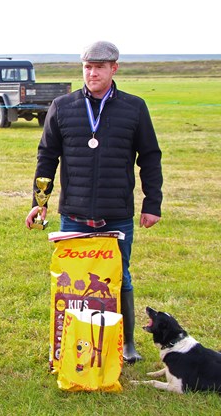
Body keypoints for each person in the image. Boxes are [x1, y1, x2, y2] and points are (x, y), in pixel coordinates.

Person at [25, 40, 162, 363]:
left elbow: (150, 157)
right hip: (73, 214)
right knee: (74, 282)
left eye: (100, 67)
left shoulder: (134, 108)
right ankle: (71, 339)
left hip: (116, 214)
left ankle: (127, 343)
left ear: (114, 68)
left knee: (119, 277)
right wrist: (39, 201)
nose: (92, 73)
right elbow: (47, 157)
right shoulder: (63, 106)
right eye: (88, 67)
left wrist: (152, 203)